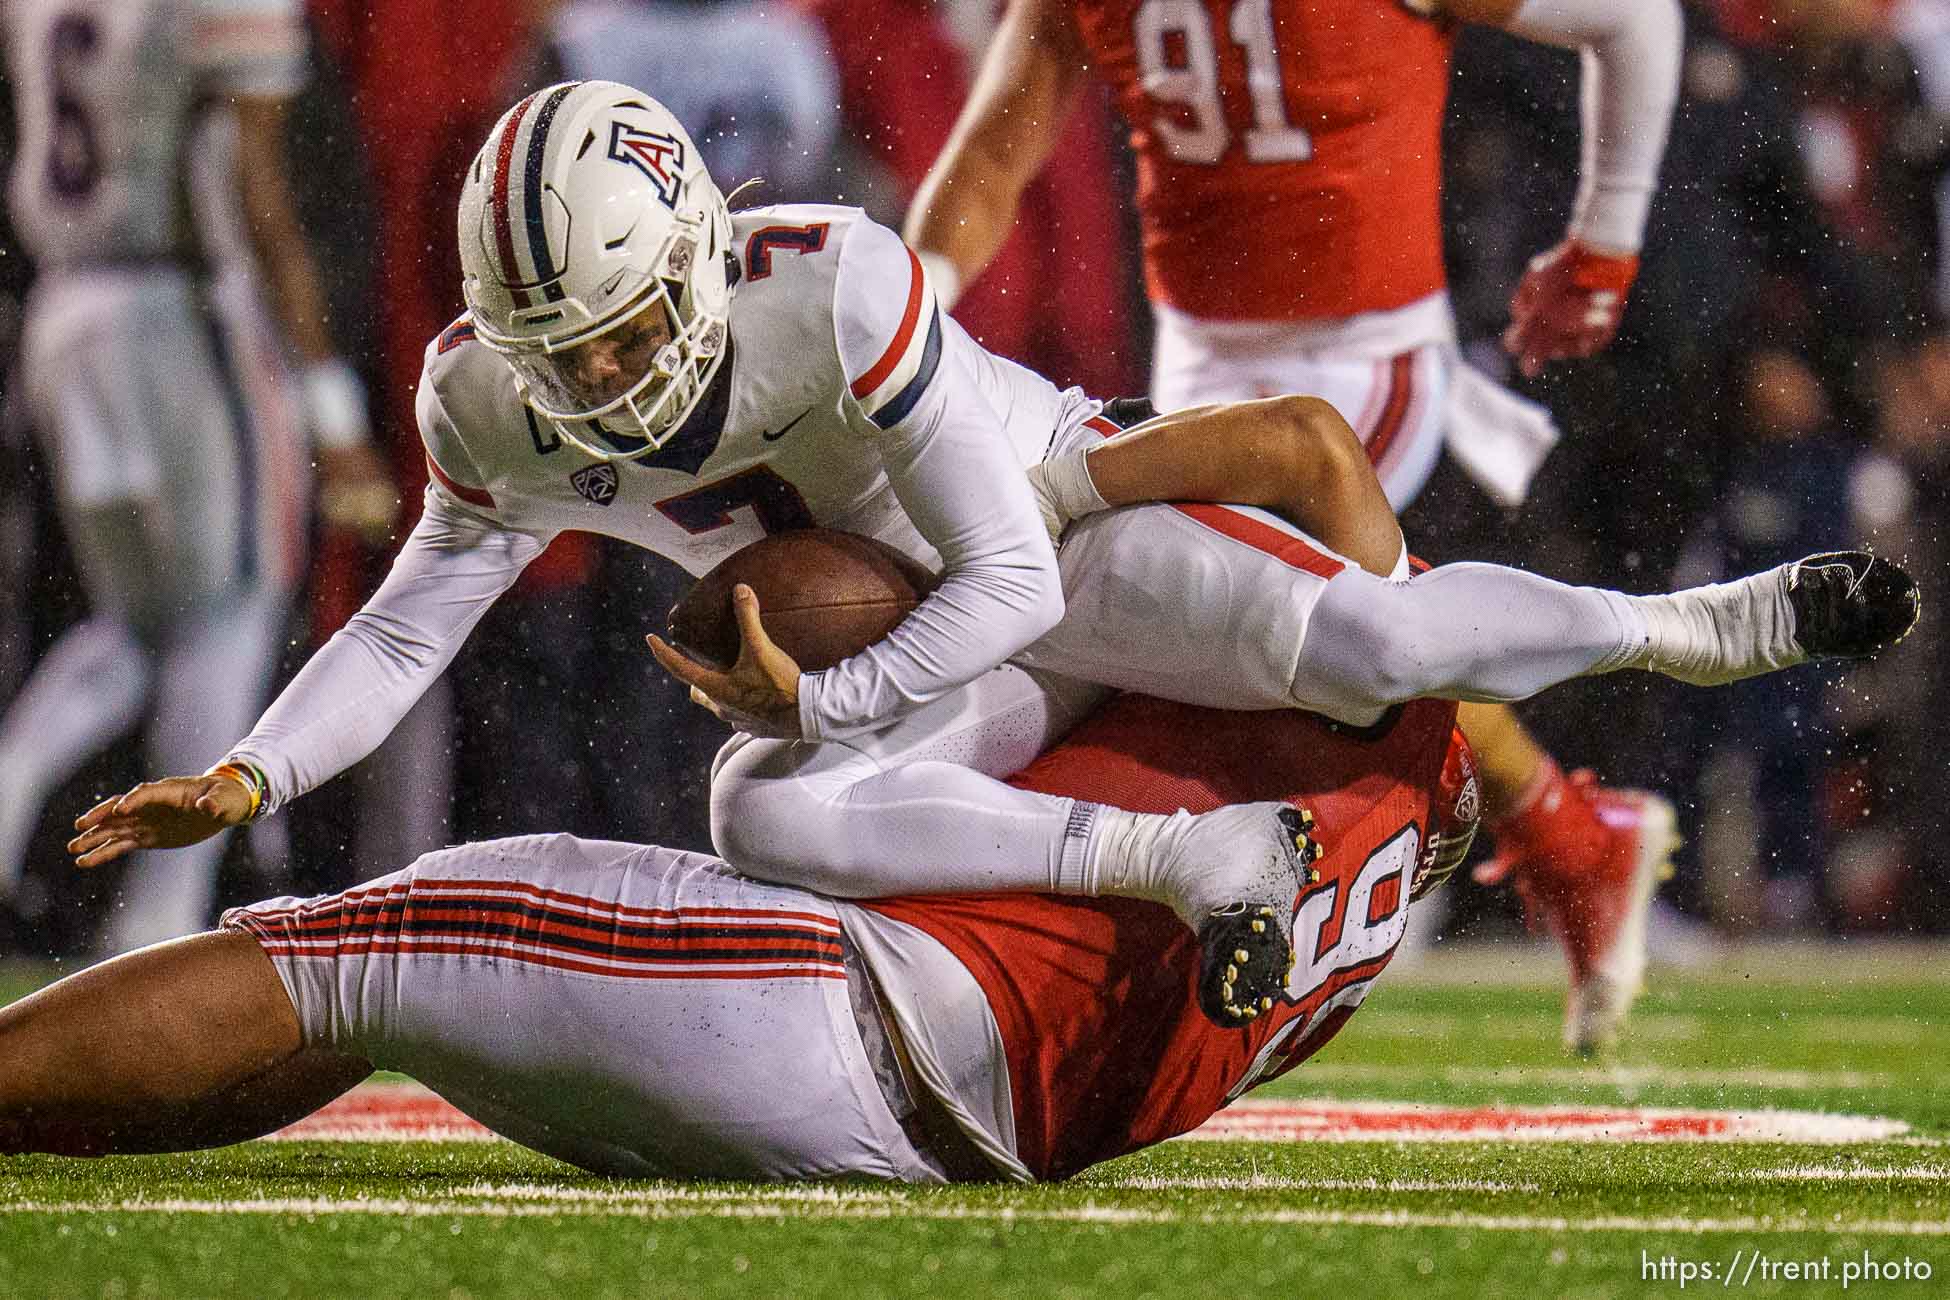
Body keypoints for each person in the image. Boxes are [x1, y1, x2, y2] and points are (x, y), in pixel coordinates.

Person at [65, 81, 1917, 1028]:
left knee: (1369, 643)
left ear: (703, 255)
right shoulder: (490, 400)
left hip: (1048, 532)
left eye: (625, 337)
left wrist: (832, 686)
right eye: (566, 359)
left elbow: (1015, 585)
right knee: (759, 819)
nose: (604, 390)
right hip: (928, 649)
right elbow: (413, 625)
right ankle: (1191, 861)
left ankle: (1688, 627)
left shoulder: (835, 293)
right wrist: (251, 769)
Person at [904, 0, 1691, 1051]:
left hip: (1361, 360)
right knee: (1172, 630)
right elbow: (990, 162)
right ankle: (1558, 830)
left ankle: (1489, 837)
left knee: (1286, 622)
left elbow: (1636, 20)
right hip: (1195, 372)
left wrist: (1608, 244)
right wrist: (906, 325)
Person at [3, 690, 1478, 1177]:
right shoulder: (1387, 854)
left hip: (843, 1013)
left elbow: (1287, 465)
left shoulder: (1284, 643)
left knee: (375, 942)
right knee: (383, 985)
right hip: (923, 1135)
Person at [0, 0, 395, 951]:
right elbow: (254, 196)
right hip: (178, 314)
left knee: (138, 625)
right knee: (235, 610)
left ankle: (9, 797)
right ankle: (164, 917)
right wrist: (332, 410)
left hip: (65, 306)